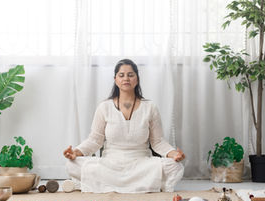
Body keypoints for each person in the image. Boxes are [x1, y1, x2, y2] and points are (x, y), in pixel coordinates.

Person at [63, 59, 185, 193]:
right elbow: (94, 140)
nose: (126, 78)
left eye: (130, 75)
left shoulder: (150, 107)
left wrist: (173, 154)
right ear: (115, 79)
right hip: (110, 164)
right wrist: (75, 153)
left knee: (175, 166)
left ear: (137, 79)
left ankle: (106, 185)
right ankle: (144, 186)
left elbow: (157, 142)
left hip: (140, 164)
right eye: (121, 75)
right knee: (72, 164)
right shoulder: (104, 107)